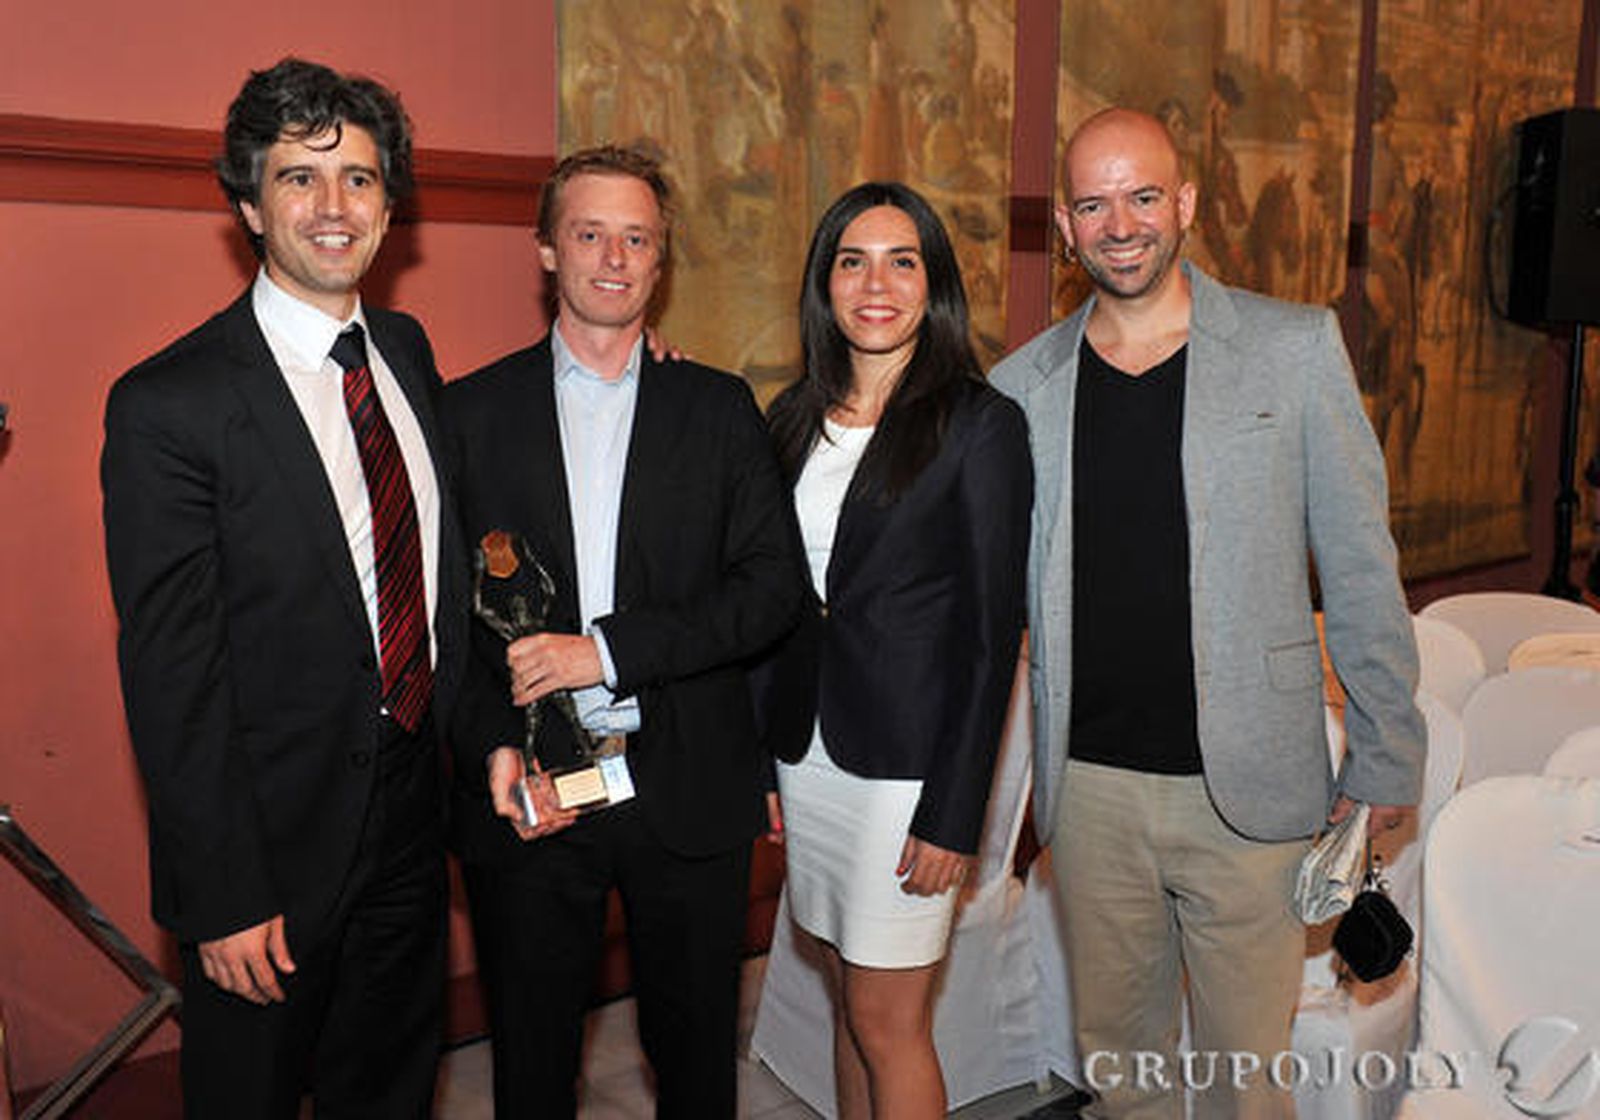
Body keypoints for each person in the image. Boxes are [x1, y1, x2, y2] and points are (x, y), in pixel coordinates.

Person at [989, 108, 1425, 1120]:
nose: (1121, 222)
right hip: (1089, 795)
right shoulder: (1021, 390)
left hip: (1252, 791)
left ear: (1182, 203)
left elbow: (1361, 565)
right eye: (1093, 204)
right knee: (1124, 1078)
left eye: (1143, 196)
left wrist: (1384, 754)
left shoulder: (1294, 348)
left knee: (1245, 1085)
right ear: (1064, 224)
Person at [101, 58, 464, 1117]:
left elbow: (429, 572)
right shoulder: (170, 405)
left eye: (357, 177)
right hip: (266, 850)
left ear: (390, 205)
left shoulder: (404, 348)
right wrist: (221, 896)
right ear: (249, 204)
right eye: (298, 178)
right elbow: (174, 674)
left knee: (390, 1087)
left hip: (409, 815)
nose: (332, 206)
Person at [444, 144, 804, 1119]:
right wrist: (488, 746)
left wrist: (603, 652)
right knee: (531, 1062)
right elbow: (450, 623)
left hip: (685, 783)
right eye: (590, 232)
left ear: (660, 260)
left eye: (636, 237)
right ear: (547, 252)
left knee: (693, 1064)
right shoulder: (470, 413)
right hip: (534, 794)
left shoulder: (721, 409)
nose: (614, 255)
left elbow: (772, 592)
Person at [760, 182, 1032, 1118]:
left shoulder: (979, 425)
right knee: (843, 999)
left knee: (889, 1022)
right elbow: (778, 606)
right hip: (813, 757)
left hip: (907, 777)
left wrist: (956, 815)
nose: (876, 283)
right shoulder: (792, 418)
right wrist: (767, 756)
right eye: (853, 260)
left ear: (934, 285)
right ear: (824, 283)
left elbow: (995, 638)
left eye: (902, 260)